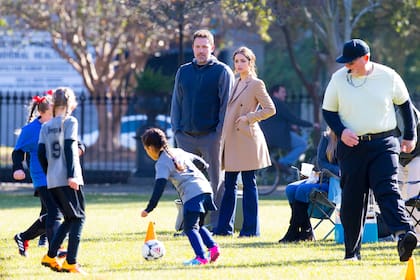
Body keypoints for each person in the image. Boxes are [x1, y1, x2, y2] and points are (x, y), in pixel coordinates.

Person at [322, 38, 417, 262]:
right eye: (344, 62)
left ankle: (403, 234)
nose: (346, 66)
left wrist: (410, 135)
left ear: (366, 58)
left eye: (351, 62)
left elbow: (405, 106)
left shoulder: (388, 76)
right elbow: (328, 111)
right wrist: (341, 131)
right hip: (352, 146)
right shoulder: (338, 79)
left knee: (387, 188)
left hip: (384, 143)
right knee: (353, 198)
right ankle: (351, 253)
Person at [170, 29, 235, 229]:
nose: (201, 51)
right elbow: (176, 102)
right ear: (193, 48)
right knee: (188, 183)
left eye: (205, 47)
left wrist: (219, 135)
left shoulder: (222, 71)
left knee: (216, 183)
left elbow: (227, 106)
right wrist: (177, 130)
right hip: (185, 137)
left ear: (212, 48)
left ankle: (215, 225)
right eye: (197, 47)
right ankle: (190, 224)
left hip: (211, 138)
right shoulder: (183, 71)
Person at [213, 46, 275, 237]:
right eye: (237, 61)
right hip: (232, 139)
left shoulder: (256, 84)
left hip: (247, 139)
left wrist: (249, 117)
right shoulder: (235, 82)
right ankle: (223, 229)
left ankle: (250, 230)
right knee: (229, 183)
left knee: (249, 183)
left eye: (243, 61)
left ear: (250, 62)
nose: (239, 64)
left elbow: (270, 109)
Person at [140, 127, 220, 266]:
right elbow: (199, 161)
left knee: (189, 228)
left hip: (192, 194)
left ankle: (201, 257)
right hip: (206, 189)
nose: (148, 153)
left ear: (151, 148)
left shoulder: (162, 163)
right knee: (198, 225)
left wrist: (149, 208)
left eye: (146, 149)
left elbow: (159, 187)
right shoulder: (177, 151)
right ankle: (213, 249)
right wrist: (200, 169)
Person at [38, 87, 87, 274]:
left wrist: (50, 172)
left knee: (69, 218)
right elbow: (69, 147)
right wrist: (72, 174)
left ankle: (50, 256)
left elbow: (42, 154)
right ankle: (71, 262)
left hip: (52, 179)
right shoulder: (70, 121)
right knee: (79, 218)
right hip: (68, 178)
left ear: (53, 104)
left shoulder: (45, 126)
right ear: (70, 104)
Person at [12, 93, 62, 257]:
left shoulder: (57, 125)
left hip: (57, 175)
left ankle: (23, 237)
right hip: (41, 177)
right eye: (52, 112)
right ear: (43, 113)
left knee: (53, 212)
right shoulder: (30, 130)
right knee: (54, 212)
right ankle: (55, 249)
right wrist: (17, 168)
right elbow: (18, 151)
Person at [279, 128, 339, 243]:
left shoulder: (351, 137)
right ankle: (305, 230)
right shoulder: (327, 136)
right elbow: (321, 162)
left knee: (302, 190)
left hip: (338, 184)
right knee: (291, 189)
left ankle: (294, 230)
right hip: (323, 179)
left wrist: (338, 171)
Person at [261, 84, 319, 172]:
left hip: (268, 136)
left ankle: (286, 168)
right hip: (279, 136)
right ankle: (283, 163)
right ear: (275, 93)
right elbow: (293, 118)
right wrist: (311, 124)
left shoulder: (268, 103)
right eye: (283, 92)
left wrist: (292, 127)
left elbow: (276, 121)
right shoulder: (278, 103)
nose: (285, 94)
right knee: (302, 144)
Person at [397, 105, 420, 238]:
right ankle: (403, 232)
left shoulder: (409, 112)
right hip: (400, 158)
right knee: (398, 195)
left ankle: (417, 233)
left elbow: (407, 141)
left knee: (413, 196)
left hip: (416, 155)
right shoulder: (389, 111)